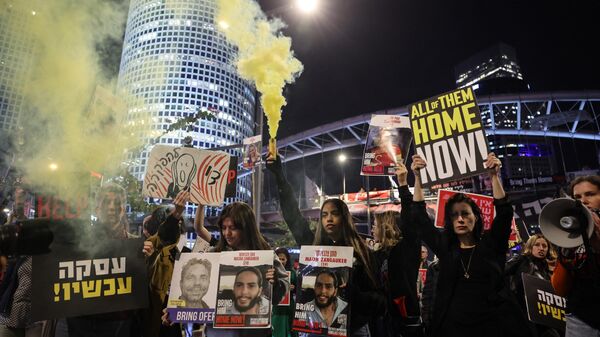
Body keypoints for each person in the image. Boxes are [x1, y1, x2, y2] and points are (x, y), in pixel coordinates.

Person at [410, 153, 532, 337]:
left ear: (476, 217)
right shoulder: (445, 247)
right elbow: (420, 219)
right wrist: (417, 177)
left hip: (494, 327)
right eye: (454, 215)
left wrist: (493, 176)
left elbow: (505, 212)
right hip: (452, 328)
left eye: (465, 214)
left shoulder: (492, 245)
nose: (460, 219)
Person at [267, 155, 386, 337]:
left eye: (334, 214)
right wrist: (279, 176)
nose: (328, 218)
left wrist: (351, 291)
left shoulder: (363, 254)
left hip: (353, 330)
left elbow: (380, 303)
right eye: (324, 214)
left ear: (344, 218)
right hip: (316, 329)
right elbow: (293, 216)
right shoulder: (314, 249)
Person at [162, 202, 289, 337]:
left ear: (246, 228)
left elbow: (281, 291)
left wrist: (275, 284)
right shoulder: (214, 254)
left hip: (255, 331)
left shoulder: (265, 254)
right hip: (217, 332)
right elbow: (195, 293)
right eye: (224, 228)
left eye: (232, 228)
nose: (227, 233)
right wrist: (173, 310)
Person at [66, 183, 154, 337]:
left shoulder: (136, 246)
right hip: (82, 324)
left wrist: (148, 262)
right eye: (106, 202)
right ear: (97, 207)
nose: (112, 207)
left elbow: (144, 288)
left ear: (124, 208)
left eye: (118, 203)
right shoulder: (78, 243)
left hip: (120, 325)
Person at [370, 163, 423, 337]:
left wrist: (403, 184)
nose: (372, 230)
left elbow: (410, 219)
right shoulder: (377, 254)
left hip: (405, 322)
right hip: (382, 321)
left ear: (386, 226)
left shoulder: (406, 249)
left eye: (375, 226)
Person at [551, 175, 600, 336]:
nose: (583, 201)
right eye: (577, 197)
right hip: (581, 318)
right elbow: (559, 288)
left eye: (590, 194)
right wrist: (566, 252)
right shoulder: (572, 235)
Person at [506, 234, 559, 337]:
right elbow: (500, 272)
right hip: (521, 313)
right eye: (537, 245)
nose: (541, 248)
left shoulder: (551, 266)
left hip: (544, 315)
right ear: (530, 246)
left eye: (544, 246)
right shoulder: (521, 259)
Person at [272, 247, 297, 337]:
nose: (281, 261)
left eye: (283, 259)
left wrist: (293, 288)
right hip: (276, 306)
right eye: (279, 259)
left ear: (287, 260)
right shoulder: (271, 272)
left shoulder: (292, 273)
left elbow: (298, 290)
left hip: (288, 306)